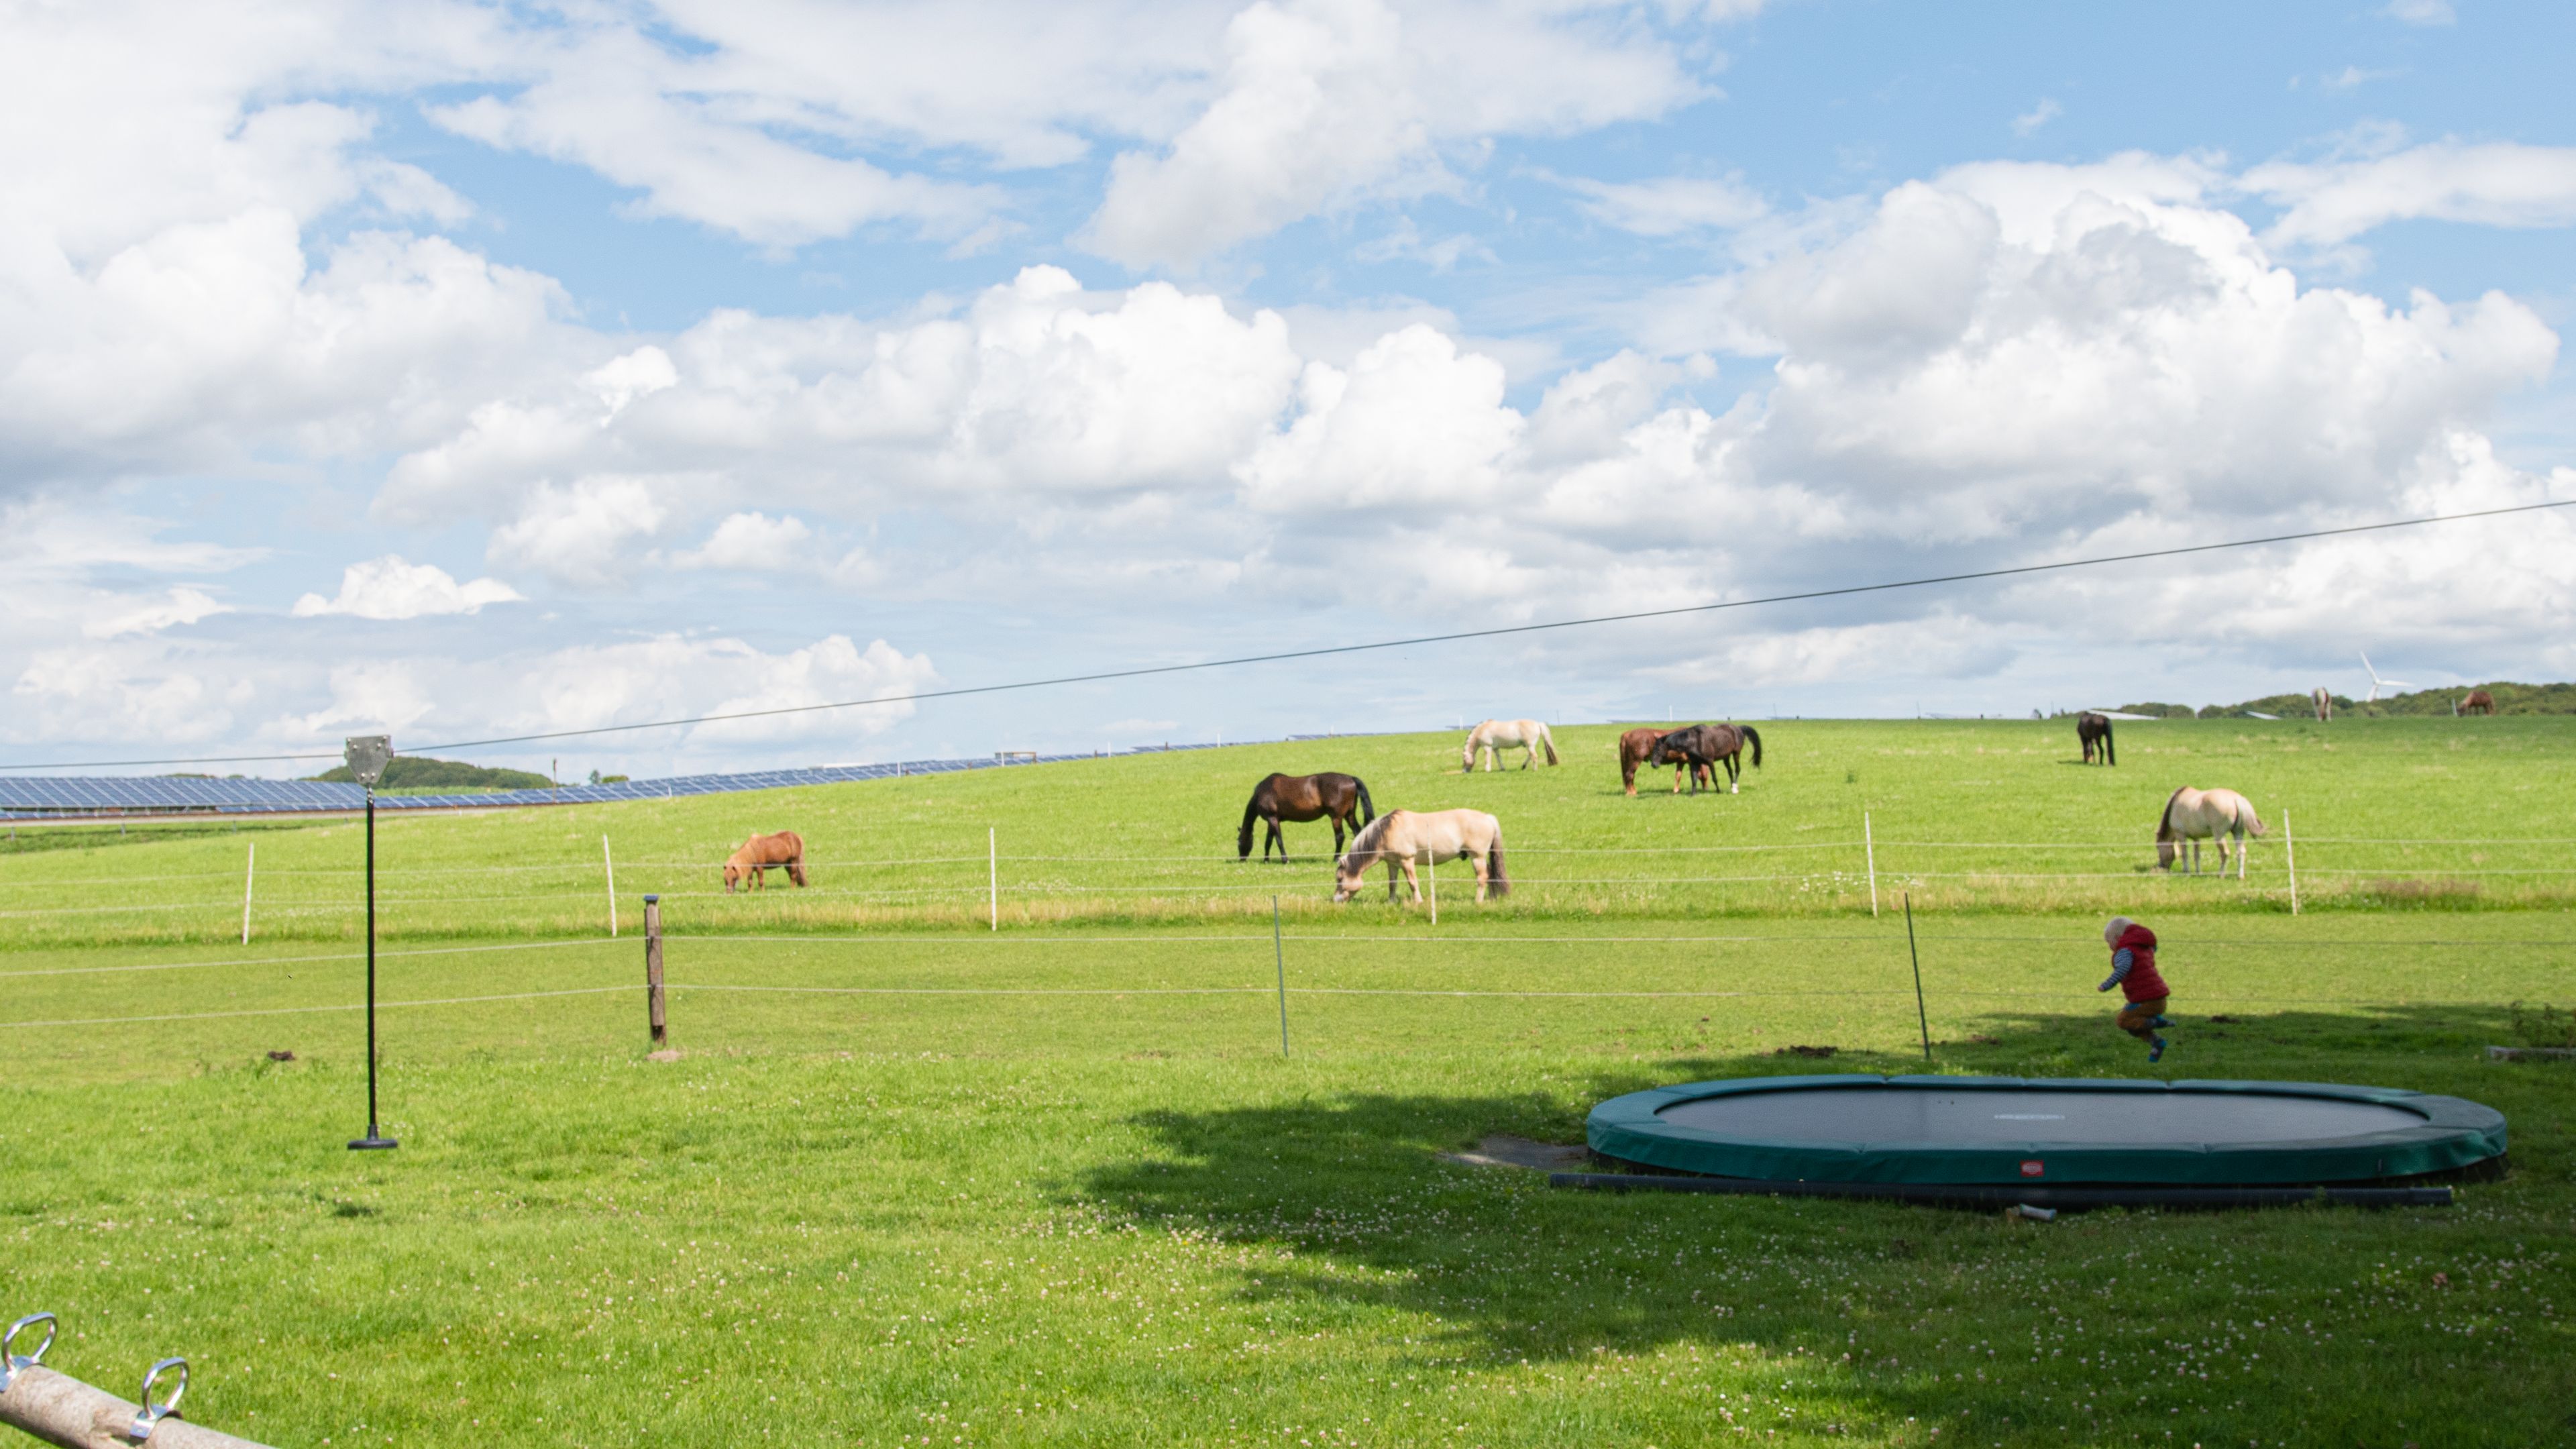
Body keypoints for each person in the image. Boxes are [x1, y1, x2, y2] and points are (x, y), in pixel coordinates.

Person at [2098, 916, 2171, 1062]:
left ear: (2118, 938)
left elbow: (2122, 969)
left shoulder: (2125, 952)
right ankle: (2156, 1043)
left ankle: (2155, 1022)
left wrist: (2107, 984)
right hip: (2158, 999)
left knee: (2123, 1021)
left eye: (2109, 942)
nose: (2110, 947)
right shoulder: (2143, 947)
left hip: (2148, 1001)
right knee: (2133, 1025)